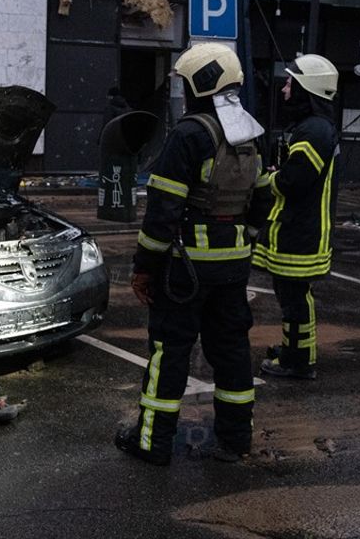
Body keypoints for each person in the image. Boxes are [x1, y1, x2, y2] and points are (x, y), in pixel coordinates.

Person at [115, 42, 270, 466]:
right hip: (234, 269)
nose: (183, 92)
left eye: (186, 82)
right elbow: (263, 199)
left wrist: (145, 268)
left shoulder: (188, 134)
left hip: (186, 272)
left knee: (170, 353)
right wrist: (244, 236)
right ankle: (235, 441)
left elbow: (163, 212)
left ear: (203, 82)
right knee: (233, 352)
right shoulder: (252, 133)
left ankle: (153, 442)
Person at [252, 54, 340, 380]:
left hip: (302, 232)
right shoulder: (311, 127)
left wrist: (270, 179)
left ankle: (298, 361)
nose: (285, 88)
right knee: (291, 298)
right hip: (296, 229)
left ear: (307, 88)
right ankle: (294, 349)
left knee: (295, 300)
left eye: (291, 82)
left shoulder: (314, 130)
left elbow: (294, 180)